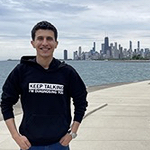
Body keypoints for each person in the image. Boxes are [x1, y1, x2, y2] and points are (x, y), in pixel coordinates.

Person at [0, 21, 88, 150]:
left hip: (59, 144)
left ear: (56, 44)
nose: (45, 43)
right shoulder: (21, 71)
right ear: (33, 43)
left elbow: (81, 101)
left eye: (49, 39)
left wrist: (72, 132)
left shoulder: (67, 72)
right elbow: (6, 103)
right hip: (29, 145)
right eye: (40, 38)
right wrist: (16, 136)